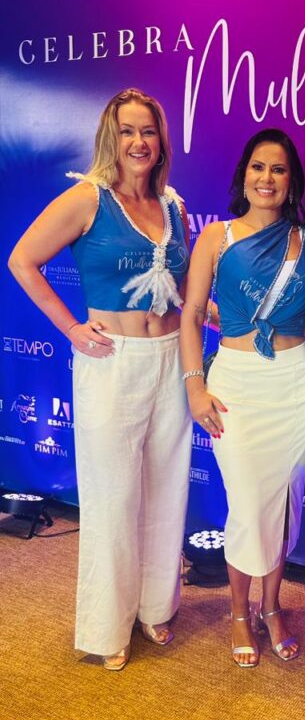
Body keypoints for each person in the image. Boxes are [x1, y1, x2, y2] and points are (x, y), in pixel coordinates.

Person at [8, 88, 192, 672]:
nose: (139, 142)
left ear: (161, 140)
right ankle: (107, 625)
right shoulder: (88, 198)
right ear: (111, 137)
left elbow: (182, 289)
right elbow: (21, 260)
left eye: (149, 131)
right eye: (128, 131)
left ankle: (153, 607)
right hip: (113, 362)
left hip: (169, 358)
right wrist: (69, 327)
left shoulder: (173, 205)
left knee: (166, 489)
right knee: (113, 498)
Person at [180, 128, 305, 667]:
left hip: (294, 383)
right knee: (246, 504)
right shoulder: (215, 237)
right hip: (235, 385)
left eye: (279, 169)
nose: (267, 178)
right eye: (258, 167)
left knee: (283, 502)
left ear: (292, 181)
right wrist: (195, 386)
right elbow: (192, 314)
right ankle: (239, 612)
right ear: (244, 175)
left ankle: (272, 606)